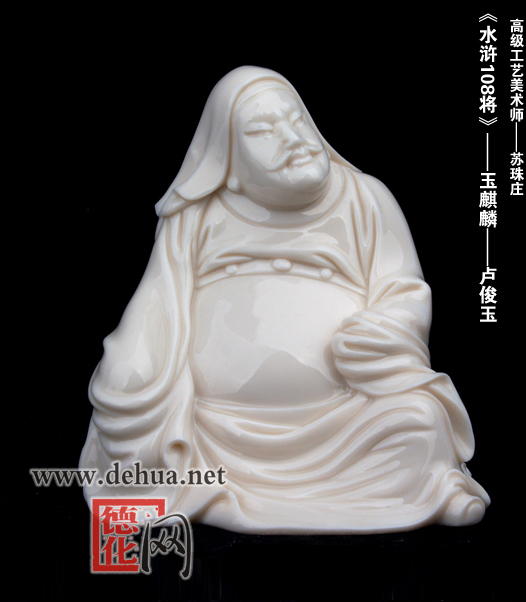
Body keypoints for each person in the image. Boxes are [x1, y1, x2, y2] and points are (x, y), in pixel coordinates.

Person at [80, 66, 489, 533]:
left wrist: (384, 330)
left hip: (348, 418)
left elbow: (404, 288)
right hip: (210, 423)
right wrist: (131, 362)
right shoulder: (196, 215)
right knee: (135, 424)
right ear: (227, 157)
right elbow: (158, 299)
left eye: (296, 120)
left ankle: (430, 489)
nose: (292, 139)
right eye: (262, 131)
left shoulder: (364, 199)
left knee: (422, 420)